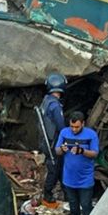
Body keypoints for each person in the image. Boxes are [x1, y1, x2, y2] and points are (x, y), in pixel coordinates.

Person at [54, 111, 99, 215]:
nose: (74, 129)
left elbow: (95, 153)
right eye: (72, 126)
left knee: (85, 204)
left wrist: (82, 151)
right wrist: (61, 149)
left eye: (77, 127)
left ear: (83, 124)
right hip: (69, 178)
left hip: (85, 178)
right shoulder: (64, 133)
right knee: (73, 204)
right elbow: (57, 151)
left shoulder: (91, 135)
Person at [39, 73, 67, 204]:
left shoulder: (46, 100)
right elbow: (61, 126)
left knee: (59, 166)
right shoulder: (55, 106)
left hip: (46, 141)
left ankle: (66, 191)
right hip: (53, 142)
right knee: (54, 169)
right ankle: (47, 194)